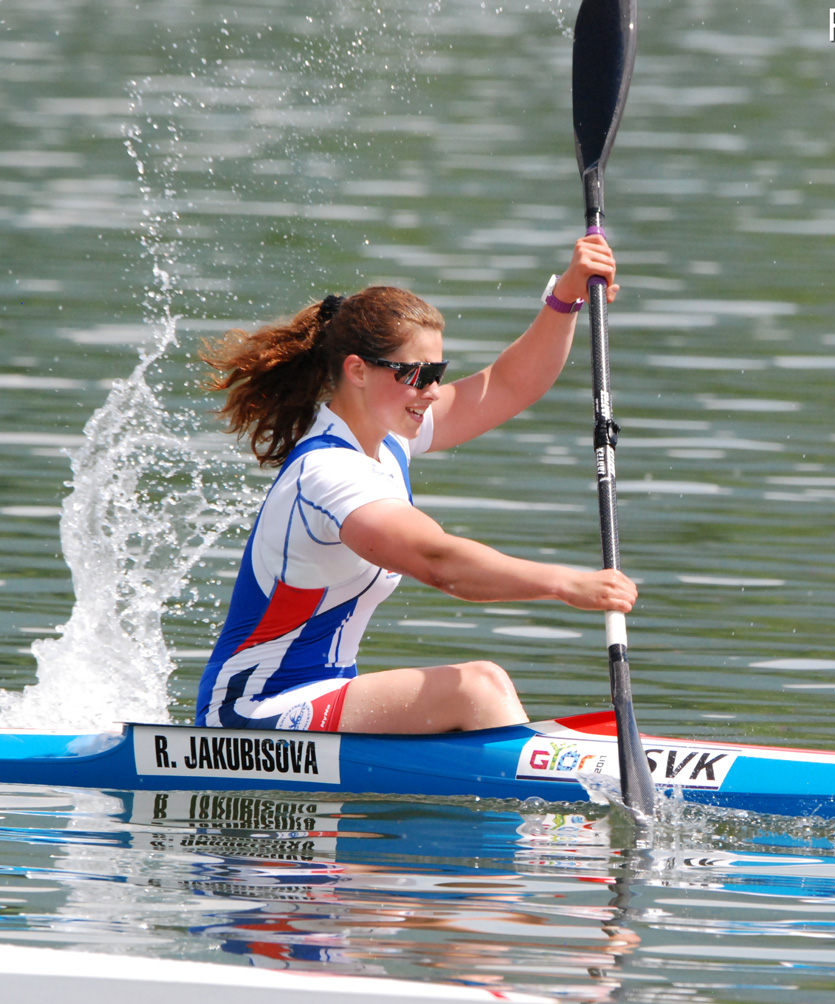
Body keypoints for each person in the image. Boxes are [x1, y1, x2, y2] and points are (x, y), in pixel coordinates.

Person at [194, 235, 636, 735]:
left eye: (437, 372)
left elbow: (509, 385)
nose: (431, 391)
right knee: (478, 686)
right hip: (250, 714)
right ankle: (545, 802)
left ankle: (537, 785)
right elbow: (439, 564)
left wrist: (567, 299)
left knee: (481, 689)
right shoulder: (328, 475)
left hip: (322, 697)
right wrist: (567, 584)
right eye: (416, 374)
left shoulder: (386, 439)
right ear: (357, 371)